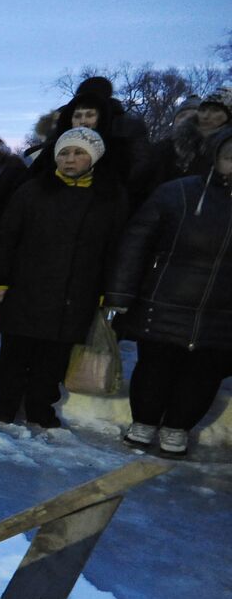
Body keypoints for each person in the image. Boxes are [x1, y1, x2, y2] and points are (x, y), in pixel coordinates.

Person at [106, 126, 232, 456]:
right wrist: (120, 294)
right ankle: (144, 421)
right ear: (215, 158)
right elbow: (136, 243)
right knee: (156, 366)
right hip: (165, 300)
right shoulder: (177, 193)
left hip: (222, 312)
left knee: (203, 374)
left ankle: (178, 426)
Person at [0, 128, 128, 428]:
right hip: (27, 287)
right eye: (64, 153)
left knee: (54, 357)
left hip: (76, 291)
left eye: (78, 153)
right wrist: (0, 280)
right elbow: (7, 236)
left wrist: (109, 290)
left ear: (93, 157)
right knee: (15, 353)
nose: (70, 159)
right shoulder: (32, 190)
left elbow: (115, 247)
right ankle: (6, 404)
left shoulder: (109, 197)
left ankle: (41, 407)